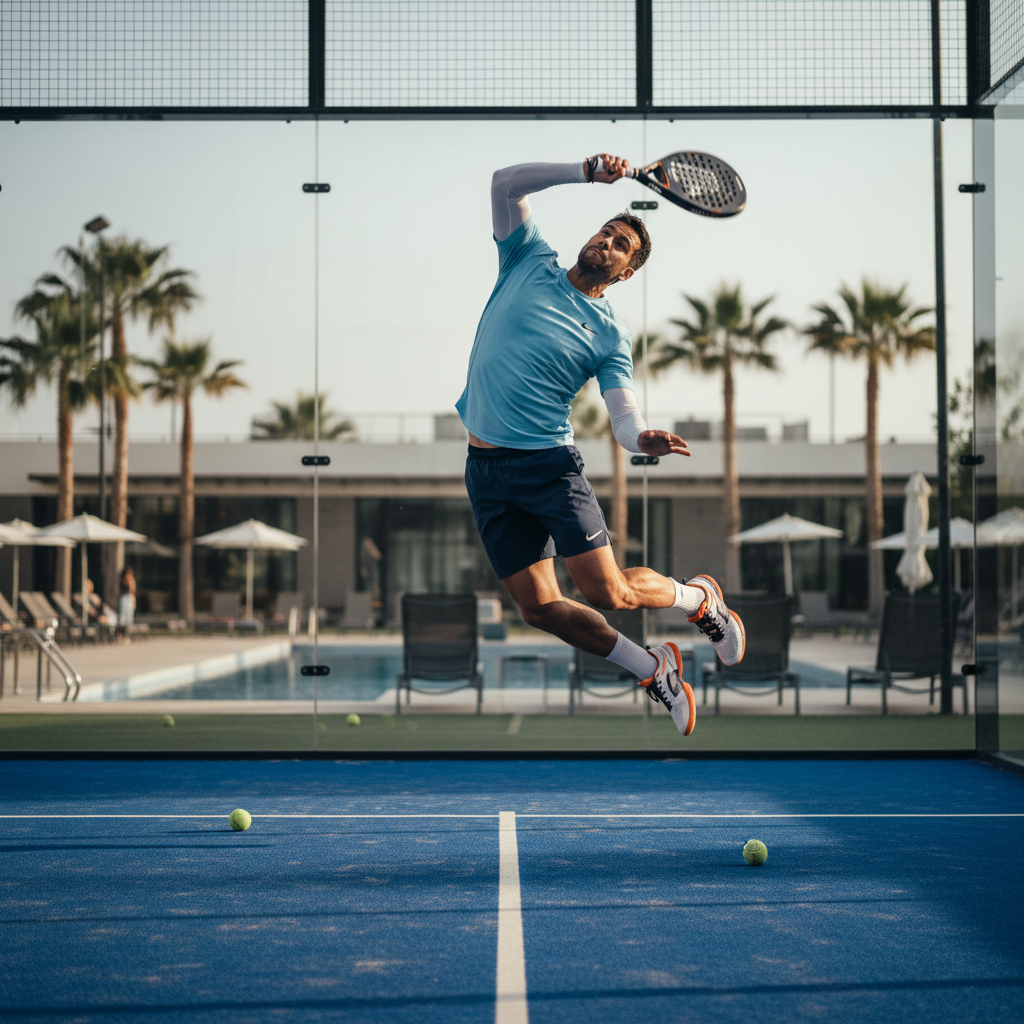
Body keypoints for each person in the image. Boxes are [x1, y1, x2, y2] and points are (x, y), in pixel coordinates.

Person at [456, 154, 745, 735]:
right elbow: (503, 183)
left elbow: (622, 416)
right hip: (485, 469)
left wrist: (641, 438)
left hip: (548, 468)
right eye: (605, 232)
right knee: (539, 608)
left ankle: (697, 601)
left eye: (620, 246)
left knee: (608, 591)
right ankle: (654, 670)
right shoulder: (526, 258)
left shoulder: (611, 334)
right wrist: (584, 170)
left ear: (625, 273)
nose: (606, 243)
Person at [117, 566, 136, 638]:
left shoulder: (131, 580)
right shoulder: (122, 581)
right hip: (124, 599)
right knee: (122, 618)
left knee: (129, 618)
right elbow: (118, 591)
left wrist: (131, 582)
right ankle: (120, 634)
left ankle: (127, 635)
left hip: (129, 598)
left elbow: (132, 590)